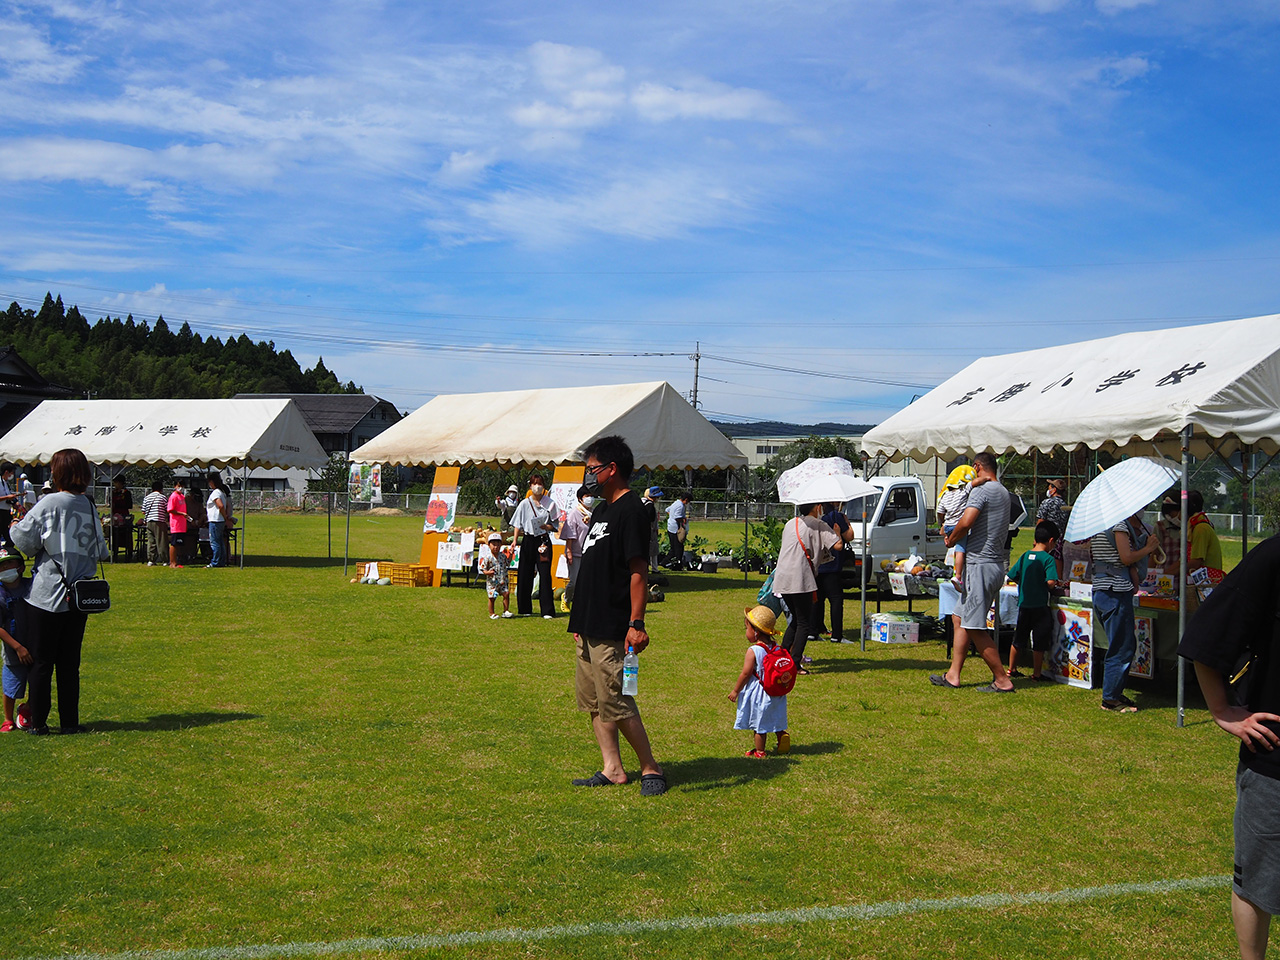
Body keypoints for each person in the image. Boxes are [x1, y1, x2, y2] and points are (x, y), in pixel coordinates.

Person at [1178, 534, 1280, 960]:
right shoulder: (1275, 556)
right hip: (1276, 762)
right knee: (1259, 883)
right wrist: (1222, 710)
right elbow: (1208, 632)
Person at [567, 435, 666, 795]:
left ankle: (651, 768)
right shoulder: (601, 510)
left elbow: (637, 570)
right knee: (594, 701)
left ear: (612, 469)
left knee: (617, 700)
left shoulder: (633, 511)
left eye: (591, 468)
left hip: (613, 624)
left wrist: (636, 623)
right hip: (587, 624)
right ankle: (613, 769)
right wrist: (578, 622)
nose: (588, 475)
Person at [10, 447, 109, 735]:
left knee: (41, 662)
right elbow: (100, 550)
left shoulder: (49, 502)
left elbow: (24, 542)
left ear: (57, 473)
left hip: (47, 593)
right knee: (69, 664)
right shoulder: (89, 506)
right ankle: (70, 722)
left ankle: (38, 723)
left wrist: (17, 524)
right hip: (79, 596)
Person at [933, 452, 1016, 693]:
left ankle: (1002, 680)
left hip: (980, 565)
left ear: (977, 466)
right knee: (959, 617)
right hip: (993, 564)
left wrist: (951, 538)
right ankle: (953, 675)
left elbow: (967, 520)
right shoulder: (1002, 491)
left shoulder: (982, 491)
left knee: (975, 626)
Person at [1091, 507, 1159, 712]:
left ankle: (1114, 691)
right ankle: (1110, 698)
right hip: (1115, 591)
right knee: (1121, 646)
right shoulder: (1119, 525)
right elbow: (1126, 557)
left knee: (1120, 643)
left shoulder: (1097, 525)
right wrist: (1148, 548)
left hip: (1102, 589)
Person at [772, 502, 839, 676]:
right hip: (800, 578)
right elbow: (837, 545)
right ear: (817, 507)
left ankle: (781, 656)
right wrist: (837, 532)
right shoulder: (818, 524)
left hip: (782, 577)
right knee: (804, 622)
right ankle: (794, 663)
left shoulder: (790, 523)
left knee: (797, 618)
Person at [728, 605, 791, 758]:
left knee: (759, 725)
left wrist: (736, 690)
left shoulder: (754, 651)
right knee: (775, 715)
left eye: (746, 628)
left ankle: (760, 751)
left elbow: (745, 674)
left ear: (756, 632)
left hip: (760, 693)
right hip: (776, 691)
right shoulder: (776, 647)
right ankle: (781, 734)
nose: (746, 632)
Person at [1006, 520, 1060, 682]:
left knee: (1018, 639)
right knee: (1039, 642)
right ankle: (1037, 674)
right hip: (1040, 607)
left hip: (1024, 605)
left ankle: (1011, 669)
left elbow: (1013, 575)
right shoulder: (1048, 559)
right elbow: (1051, 582)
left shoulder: (1024, 556)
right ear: (1051, 541)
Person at [511, 473, 559, 618]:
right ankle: (525, 608)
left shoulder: (550, 503)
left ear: (543, 486)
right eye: (534, 484)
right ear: (530, 486)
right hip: (528, 539)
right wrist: (514, 540)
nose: (537, 486)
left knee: (544, 575)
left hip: (543, 540)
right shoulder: (525, 503)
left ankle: (547, 610)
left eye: (540, 484)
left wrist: (546, 526)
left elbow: (555, 525)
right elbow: (517, 524)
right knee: (525, 573)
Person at [0, 547, 32, 733]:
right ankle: (7, 718)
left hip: (34, 643)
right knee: (11, 684)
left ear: (20, 567)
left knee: (37, 681)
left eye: (9, 564)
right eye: (2, 566)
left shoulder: (31, 586)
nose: (5, 568)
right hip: (13, 647)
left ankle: (27, 709)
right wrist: (17, 647)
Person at [815, 501, 854, 642]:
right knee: (836, 600)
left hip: (817, 564)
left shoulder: (815, 518)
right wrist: (847, 523)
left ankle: (815, 630)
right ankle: (837, 635)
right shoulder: (835, 516)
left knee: (818, 599)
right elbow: (849, 536)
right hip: (832, 564)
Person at [937, 466, 975, 591]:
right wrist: (984, 478)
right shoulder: (963, 491)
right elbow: (973, 483)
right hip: (958, 525)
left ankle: (947, 539)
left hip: (948, 525)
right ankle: (957, 575)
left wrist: (942, 524)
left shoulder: (945, 495)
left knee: (952, 545)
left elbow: (940, 512)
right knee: (960, 550)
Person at [558, 485, 594, 608]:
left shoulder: (593, 513)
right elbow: (570, 534)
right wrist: (568, 551)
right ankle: (566, 598)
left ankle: (581, 603)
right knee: (574, 580)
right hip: (575, 552)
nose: (590, 498)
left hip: (589, 552)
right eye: (587, 496)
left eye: (591, 496)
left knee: (587, 581)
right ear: (580, 498)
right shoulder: (574, 514)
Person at [1188, 489, 1225, 589]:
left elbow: (1196, 561)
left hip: (1206, 582)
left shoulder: (1200, 528)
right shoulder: (1195, 526)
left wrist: (1174, 571)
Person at [1036, 478, 1070, 572]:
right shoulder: (1065, 505)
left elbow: (1041, 521)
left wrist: (1036, 540)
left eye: (1050, 487)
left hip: (1045, 541)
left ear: (1054, 490)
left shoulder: (1047, 502)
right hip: (1060, 543)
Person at [477, 532, 513, 619]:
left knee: (506, 594)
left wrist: (511, 554)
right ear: (489, 545)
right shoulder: (488, 558)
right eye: (493, 545)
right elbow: (483, 569)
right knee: (492, 598)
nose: (496, 547)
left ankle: (506, 611)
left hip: (502, 580)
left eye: (498, 545)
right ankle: (492, 613)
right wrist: (488, 573)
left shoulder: (502, 556)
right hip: (492, 582)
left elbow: (507, 563)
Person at [205, 474, 231, 568]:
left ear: (212, 482)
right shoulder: (222, 492)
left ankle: (215, 562)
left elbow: (220, 505)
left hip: (215, 520)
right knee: (220, 541)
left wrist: (224, 516)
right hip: (220, 520)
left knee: (215, 542)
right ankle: (221, 561)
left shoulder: (216, 492)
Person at [141, 480, 168, 567]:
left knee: (151, 541)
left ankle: (151, 559)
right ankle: (164, 559)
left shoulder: (147, 497)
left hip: (149, 521)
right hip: (159, 521)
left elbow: (143, 511)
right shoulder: (162, 497)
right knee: (161, 541)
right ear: (161, 489)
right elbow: (166, 509)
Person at [1155, 498, 1183, 579]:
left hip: (1183, 575)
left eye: (1172, 515)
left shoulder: (1190, 528)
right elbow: (1155, 553)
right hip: (1164, 574)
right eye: (1168, 516)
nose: (1170, 518)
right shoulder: (1160, 527)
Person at [166, 478, 189, 569]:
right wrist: (181, 514)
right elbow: (170, 510)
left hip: (182, 524)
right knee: (174, 544)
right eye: (179, 486)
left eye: (182, 486)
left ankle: (176, 561)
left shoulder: (182, 497)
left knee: (179, 544)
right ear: (175, 486)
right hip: (176, 524)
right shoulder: (173, 496)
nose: (181, 488)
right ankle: (172, 563)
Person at [665, 492, 690, 568]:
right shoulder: (680, 506)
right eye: (688, 501)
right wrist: (683, 519)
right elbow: (677, 517)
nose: (687, 503)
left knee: (673, 548)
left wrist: (671, 516)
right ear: (685, 499)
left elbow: (667, 510)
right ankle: (678, 563)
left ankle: (664, 562)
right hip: (675, 529)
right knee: (678, 547)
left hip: (670, 526)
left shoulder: (675, 503)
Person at [641, 486, 663, 573]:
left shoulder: (641, 502)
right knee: (652, 550)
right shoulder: (649, 505)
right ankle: (654, 568)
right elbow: (650, 519)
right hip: (649, 530)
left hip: (644, 530)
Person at [0, 465, 18, 549]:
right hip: (1, 512)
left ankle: (6, 551)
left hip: (6, 512)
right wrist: (8, 497)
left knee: (10, 537)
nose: (12, 476)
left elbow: (7, 497)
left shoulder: (5, 483)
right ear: (6, 472)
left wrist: (13, 502)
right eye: (11, 473)